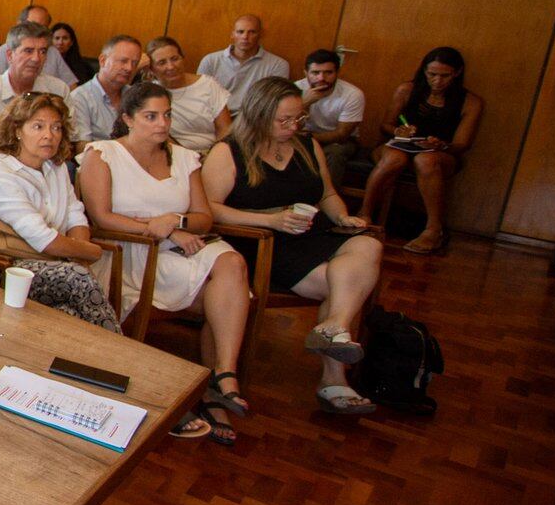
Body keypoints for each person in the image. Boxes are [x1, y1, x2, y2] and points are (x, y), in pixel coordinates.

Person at [77, 81, 250, 445]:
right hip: (129, 251)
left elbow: (203, 217)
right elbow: (101, 217)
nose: (162, 124)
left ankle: (224, 373)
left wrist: (176, 221)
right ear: (127, 118)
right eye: (151, 116)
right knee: (228, 297)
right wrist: (159, 230)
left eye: (167, 115)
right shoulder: (103, 154)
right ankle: (210, 389)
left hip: (176, 249)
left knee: (231, 264)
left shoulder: (184, 157)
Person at [203, 77, 382, 416]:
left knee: (368, 248)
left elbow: (326, 193)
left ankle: (335, 326)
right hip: (264, 241)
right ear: (258, 114)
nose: (292, 126)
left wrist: (343, 216)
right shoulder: (229, 151)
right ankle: (333, 380)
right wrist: (270, 221)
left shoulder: (306, 145)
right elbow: (210, 208)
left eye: (298, 118)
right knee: (344, 284)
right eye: (283, 120)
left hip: (312, 232)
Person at [0, 94, 120, 332]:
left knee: (69, 315)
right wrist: (90, 253)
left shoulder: (55, 167)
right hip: (0, 268)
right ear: (17, 130)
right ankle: (120, 351)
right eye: (38, 126)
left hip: (51, 263)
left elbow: (75, 214)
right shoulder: (0, 175)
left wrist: (78, 252)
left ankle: (101, 362)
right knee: (76, 276)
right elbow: (45, 240)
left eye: (56, 127)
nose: (49, 135)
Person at [360, 46, 484, 255]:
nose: (437, 81)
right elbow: (386, 125)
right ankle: (364, 215)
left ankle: (434, 230)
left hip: (439, 153)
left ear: (457, 73)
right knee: (393, 159)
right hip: (399, 145)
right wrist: (399, 131)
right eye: (432, 74)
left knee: (426, 161)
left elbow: (462, 145)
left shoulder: (470, 102)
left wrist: (441, 145)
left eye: (445, 76)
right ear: (424, 71)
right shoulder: (407, 90)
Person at [0, 22, 70, 161]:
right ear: (10, 55)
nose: (36, 58)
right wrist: (19, 163)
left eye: (42, 51)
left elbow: (68, 143)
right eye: (28, 51)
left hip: (48, 168)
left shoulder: (59, 90)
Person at [144, 35, 232, 153]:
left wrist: (215, 156)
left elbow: (225, 129)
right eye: (161, 62)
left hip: (211, 153)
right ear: (151, 69)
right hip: (169, 154)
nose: (170, 66)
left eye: (175, 59)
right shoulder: (149, 93)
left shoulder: (208, 85)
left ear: (183, 58)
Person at [295, 48, 366, 188]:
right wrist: (305, 103)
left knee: (335, 153)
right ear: (306, 73)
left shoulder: (352, 94)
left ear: (337, 73)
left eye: (328, 72)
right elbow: (287, 124)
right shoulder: (295, 88)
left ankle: (327, 200)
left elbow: (341, 134)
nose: (321, 78)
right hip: (302, 135)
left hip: (341, 141)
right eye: (315, 73)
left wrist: (307, 137)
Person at [197, 14, 290, 110]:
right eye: (240, 32)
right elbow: (200, 95)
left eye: (252, 32)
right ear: (232, 34)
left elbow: (273, 102)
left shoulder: (278, 65)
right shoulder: (210, 61)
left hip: (254, 118)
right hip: (215, 116)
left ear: (260, 35)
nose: (245, 37)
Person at [67, 35, 143, 147]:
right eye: (123, 61)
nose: (129, 68)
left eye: (134, 63)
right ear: (103, 60)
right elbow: (82, 148)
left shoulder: (136, 95)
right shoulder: (80, 97)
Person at [0, 4, 80, 86]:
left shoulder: (52, 51)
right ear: (19, 24)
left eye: (43, 27)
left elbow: (71, 86)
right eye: (32, 25)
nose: (36, 31)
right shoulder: (2, 53)